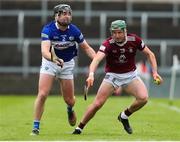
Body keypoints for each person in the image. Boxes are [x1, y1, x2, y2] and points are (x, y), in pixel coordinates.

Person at [72, 20, 163, 135]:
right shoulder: (108, 44)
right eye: (114, 33)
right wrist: (91, 74)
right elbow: (96, 59)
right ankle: (79, 128)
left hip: (130, 75)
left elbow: (150, 54)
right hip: (112, 76)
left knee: (143, 98)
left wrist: (155, 73)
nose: (117, 35)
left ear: (125, 31)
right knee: (97, 104)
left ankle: (124, 116)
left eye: (119, 32)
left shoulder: (134, 40)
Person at [30, 4, 96, 135]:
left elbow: (87, 48)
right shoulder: (48, 29)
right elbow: (44, 51)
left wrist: (96, 59)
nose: (67, 16)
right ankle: (35, 127)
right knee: (43, 94)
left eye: (69, 13)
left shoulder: (74, 30)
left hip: (67, 64)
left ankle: (69, 109)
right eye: (63, 13)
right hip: (51, 62)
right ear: (56, 16)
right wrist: (53, 59)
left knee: (70, 100)